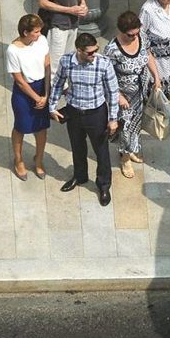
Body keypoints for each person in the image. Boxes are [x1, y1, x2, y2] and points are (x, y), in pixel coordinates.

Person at [48, 32, 120, 207]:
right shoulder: (67, 62)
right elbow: (57, 84)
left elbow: (113, 92)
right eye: (89, 52)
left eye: (95, 50)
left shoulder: (103, 64)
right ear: (79, 50)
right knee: (77, 146)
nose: (93, 54)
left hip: (96, 113)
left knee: (101, 150)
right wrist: (52, 107)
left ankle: (103, 185)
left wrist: (113, 119)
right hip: (74, 112)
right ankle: (80, 177)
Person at [104, 11, 163, 178]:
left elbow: (148, 55)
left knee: (137, 124)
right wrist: (118, 96)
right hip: (125, 97)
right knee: (126, 127)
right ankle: (125, 157)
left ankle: (132, 148)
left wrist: (156, 77)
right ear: (122, 32)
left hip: (142, 91)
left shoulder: (141, 37)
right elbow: (107, 77)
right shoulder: (112, 50)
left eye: (136, 33)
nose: (134, 37)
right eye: (130, 35)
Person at [6, 14, 51, 181]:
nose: (39, 34)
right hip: (24, 92)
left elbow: (47, 65)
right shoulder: (13, 50)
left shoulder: (42, 41)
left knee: (41, 127)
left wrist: (45, 94)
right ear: (26, 32)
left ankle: (38, 160)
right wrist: (36, 98)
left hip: (42, 86)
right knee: (21, 127)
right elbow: (18, 80)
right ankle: (18, 160)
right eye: (36, 32)